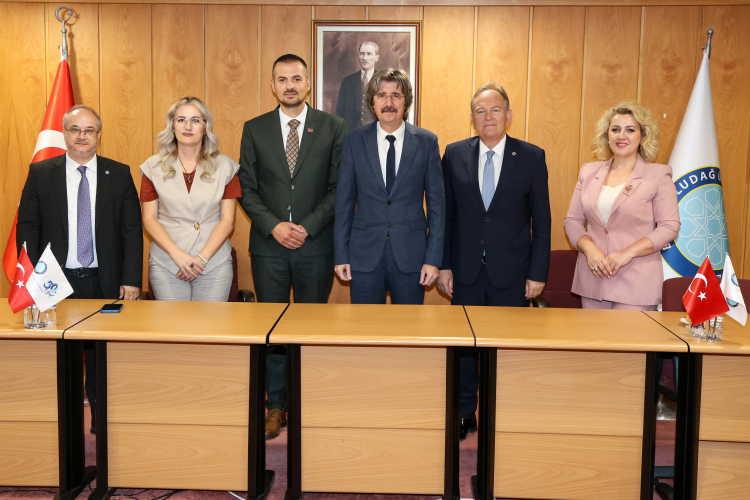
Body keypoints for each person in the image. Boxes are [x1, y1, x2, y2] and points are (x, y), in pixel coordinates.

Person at [17, 104, 143, 434]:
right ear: (64, 134)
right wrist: (32, 278)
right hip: (56, 282)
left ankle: (101, 421)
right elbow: (27, 227)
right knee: (61, 356)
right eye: (75, 129)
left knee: (102, 356)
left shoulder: (119, 173)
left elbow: (132, 231)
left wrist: (131, 279)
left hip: (105, 281)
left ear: (99, 135)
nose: (82, 136)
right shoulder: (41, 172)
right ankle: (65, 423)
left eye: (89, 130)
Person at [239, 54, 346, 439]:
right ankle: (277, 405)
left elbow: (339, 187)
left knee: (310, 328)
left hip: (315, 246)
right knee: (273, 332)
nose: (289, 85)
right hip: (269, 248)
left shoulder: (333, 127)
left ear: (308, 83)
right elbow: (246, 188)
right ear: (273, 85)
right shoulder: (255, 129)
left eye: (296, 78)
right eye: (282, 79)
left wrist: (307, 227)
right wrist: (274, 227)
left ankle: (307, 402)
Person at [438, 83, 551, 440]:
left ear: (509, 115)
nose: (488, 117)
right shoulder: (454, 154)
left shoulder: (532, 156)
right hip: (465, 270)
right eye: (481, 111)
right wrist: (444, 265)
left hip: (513, 273)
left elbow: (542, 222)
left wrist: (537, 273)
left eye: (496, 109)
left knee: (505, 350)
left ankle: (502, 415)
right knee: (464, 351)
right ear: (472, 118)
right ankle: (464, 413)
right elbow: (446, 216)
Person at [335, 68, 445, 305]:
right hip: (364, 256)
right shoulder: (354, 140)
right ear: (372, 102)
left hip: (412, 257)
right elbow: (344, 202)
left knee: (409, 326)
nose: (389, 103)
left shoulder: (427, 142)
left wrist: (433, 259)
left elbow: (437, 206)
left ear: (406, 102)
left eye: (396, 95)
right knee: (365, 325)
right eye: (382, 95)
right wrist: (341, 254)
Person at [564, 100, 679, 310]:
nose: (621, 136)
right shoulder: (588, 172)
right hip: (593, 278)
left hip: (636, 281)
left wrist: (627, 253)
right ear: (607, 135)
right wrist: (590, 250)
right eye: (615, 129)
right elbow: (573, 220)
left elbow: (669, 226)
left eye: (630, 130)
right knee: (593, 334)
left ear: (643, 136)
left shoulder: (658, 175)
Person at [140, 97, 240, 301]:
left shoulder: (226, 167)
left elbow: (228, 220)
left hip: (213, 263)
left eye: (195, 120)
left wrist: (202, 259)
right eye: (181, 120)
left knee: (210, 322)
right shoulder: (153, 167)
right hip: (168, 263)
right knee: (172, 322)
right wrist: (177, 255)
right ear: (172, 125)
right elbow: (149, 219)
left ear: (205, 126)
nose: (188, 126)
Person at [336, 41, 379, 131]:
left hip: (375, 132)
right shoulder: (347, 81)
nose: (365, 58)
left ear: (377, 57)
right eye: (361, 54)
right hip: (352, 133)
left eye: (369, 54)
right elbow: (340, 112)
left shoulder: (383, 80)